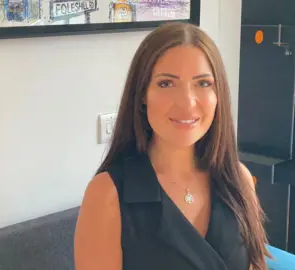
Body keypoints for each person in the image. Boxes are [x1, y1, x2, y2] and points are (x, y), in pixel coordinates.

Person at [74, 22, 271, 270]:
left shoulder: (237, 179)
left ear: (218, 94)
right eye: (166, 83)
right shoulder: (108, 194)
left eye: (203, 83)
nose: (187, 103)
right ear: (142, 94)